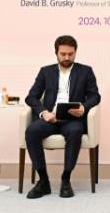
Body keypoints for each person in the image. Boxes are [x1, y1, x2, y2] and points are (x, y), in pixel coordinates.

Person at [24, 35, 101, 199]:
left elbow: (95, 96)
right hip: (50, 119)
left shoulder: (85, 71)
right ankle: (43, 181)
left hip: (73, 119)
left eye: (71, 54)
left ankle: (66, 179)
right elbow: (31, 97)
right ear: (56, 53)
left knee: (75, 132)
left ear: (75, 52)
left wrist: (84, 107)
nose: (67, 57)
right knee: (32, 131)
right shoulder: (46, 71)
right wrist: (44, 113)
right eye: (63, 54)